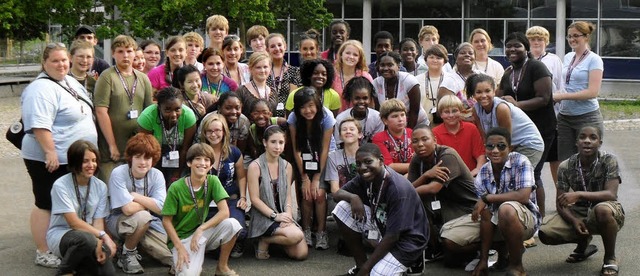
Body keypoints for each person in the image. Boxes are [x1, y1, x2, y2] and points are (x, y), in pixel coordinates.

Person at [21, 42, 97, 268]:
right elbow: (39, 124)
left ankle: (62, 245)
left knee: (64, 204)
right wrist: (50, 152)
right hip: (49, 157)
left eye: (64, 60)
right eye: (55, 60)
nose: (61, 64)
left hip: (70, 157)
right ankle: (43, 251)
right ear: (44, 63)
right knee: (45, 202)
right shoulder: (40, 88)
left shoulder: (68, 81)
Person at [332, 143, 429, 276]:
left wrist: (368, 268)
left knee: (376, 274)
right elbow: (337, 195)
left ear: (381, 160)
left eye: (368, 162)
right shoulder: (365, 177)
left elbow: (393, 236)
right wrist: (353, 197)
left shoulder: (397, 189)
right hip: (383, 223)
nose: (363, 168)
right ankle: (360, 266)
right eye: (358, 163)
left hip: (407, 239)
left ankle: (413, 261)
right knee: (342, 208)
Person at [539, 126, 624, 276]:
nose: (587, 141)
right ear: (576, 142)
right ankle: (583, 244)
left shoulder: (608, 160)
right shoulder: (566, 166)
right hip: (578, 211)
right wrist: (573, 220)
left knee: (602, 210)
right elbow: (561, 203)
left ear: (600, 142)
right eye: (582, 137)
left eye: (592, 138)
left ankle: (610, 258)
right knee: (545, 232)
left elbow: (611, 194)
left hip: (605, 207)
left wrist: (579, 194)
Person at [497, 32, 556, 221]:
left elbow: (544, 98)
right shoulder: (509, 72)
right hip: (519, 131)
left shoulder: (537, 67)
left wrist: (517, 104)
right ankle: (521, 215)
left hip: (541, 129)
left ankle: (539, 218)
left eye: (517, 46)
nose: (512, 49)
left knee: (533, 172)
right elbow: (500, 96)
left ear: (526, 49)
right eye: (508, 46)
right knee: (520, 171)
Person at [162, 143, 242, 276]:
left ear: (211, 165)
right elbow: (166, 221)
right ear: (189, 163)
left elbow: (224, 212)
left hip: (202, 233)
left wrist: (201, 228)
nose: (202, 163)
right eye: (198, 159)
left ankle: (221, 267)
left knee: (233, 224)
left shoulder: (213, 181)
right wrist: (179, 247)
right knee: (188, 274)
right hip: (183, 238)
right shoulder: (176, 187)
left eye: (206, 160)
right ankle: (177, 261)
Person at [471, 127, 541, 276]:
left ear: (510, 148)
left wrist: (488, 197)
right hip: (495, 223)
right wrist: (483, 259)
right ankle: (499, 256)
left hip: (525, 220)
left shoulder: (521, 161)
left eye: (501, 146)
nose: (495, 150)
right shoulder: (483, 172)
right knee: (452, 241)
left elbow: (523, 196)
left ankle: (517, 266)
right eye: (490, 146)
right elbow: (484, 213)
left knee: (506, 209)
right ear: (485, 148)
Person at [408, 125, 480, 267]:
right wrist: (425, 175)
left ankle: (487, 246)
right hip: (444, 204)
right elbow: (409, 187)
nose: (420, 144)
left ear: (434, 140)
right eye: (415, 141)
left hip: (467, 207)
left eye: (425, 139)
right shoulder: (417, 159)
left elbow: (433, 188)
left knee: (451, 255)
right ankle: (434, 248)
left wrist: (409, 191)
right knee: (415, 201)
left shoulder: (447, 155)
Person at [47, 140, 115, 275]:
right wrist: (102, 236)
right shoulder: (60, 186)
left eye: (94, 160)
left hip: (90, 236)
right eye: (85, 161)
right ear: (75, 162)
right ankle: (64, 272)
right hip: (62, 235)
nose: (91, 165)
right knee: (85, 240)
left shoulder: (100, 186)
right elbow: (73, 222)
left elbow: (98, 222)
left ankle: (78, 269)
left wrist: (99, 244)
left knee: (106, 272)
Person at [107, 133, 173, 274]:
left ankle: (131, 245)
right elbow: (128, 209)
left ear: (153, 159)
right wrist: (149, 203)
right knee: (143, 216)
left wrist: (135, 196)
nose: (142, 162)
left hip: (150, 220)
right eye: (138, 157)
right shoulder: (119, 173)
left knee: (170, 256)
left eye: (147, 157)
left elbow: (162, 209)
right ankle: (127, 253)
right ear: (131, 158)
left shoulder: (157, 175)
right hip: (118, 220)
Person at [94, 35, 154, 185]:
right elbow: (101, 111)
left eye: (129, 51)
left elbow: (149, 112)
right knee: (111, 189)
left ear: (135, 53)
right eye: (120, 51)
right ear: (113, 54)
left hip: (136, 148)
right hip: (111, 150)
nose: (125, 55)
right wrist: (112, 144)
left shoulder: (143, 78)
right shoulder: (107, 77)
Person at [247, 126, 308, 260]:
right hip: (264, 215)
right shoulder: (254, 166)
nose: (277, 147)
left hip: (282, 213)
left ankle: (270, 239)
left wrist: (287, 214)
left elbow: (287, 195)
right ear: (265, 143)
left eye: (281, 143)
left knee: (300, 254)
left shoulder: (287, 166)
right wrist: (275, 216)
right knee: (296, 236)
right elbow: (254, 199)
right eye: (273, 142)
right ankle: (264, 239)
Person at [288, 87, 337, 250]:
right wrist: (304, 178)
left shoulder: (327, 117)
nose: (307, 111)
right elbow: (297, 150)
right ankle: (307, 230)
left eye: (310, 105)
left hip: (323, 156)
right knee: (307, 194)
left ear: (317, 103)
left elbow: (325, 149)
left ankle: (322, 231)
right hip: (304, 157)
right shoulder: (294, 118)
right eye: (302, 107)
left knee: (320, 193)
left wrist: (316, 178)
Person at [468, 73, 544, 171]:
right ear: (473, 95)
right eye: (478, 92)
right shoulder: (476, 110)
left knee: (518, 177)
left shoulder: (501, 108)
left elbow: (506, 139)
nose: (483, 96)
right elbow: (484, 138)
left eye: (487, 91)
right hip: (509, 145)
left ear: (494, 92)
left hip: (528, 144)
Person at [554, 21, 605, 162]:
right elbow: (566, 84)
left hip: (587, 117)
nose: (572, 39)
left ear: (586, 37)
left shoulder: (595, 60)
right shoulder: (568, 57)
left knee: (587, 162)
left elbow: (592, 92)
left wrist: (562, 96)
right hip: (565, 117)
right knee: (565, 162)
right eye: (569, 36)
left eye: (576, 35)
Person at [199, 114, 248, 258]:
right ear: (204, 133)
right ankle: (219, 247)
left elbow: (241, 176)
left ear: (224, 131)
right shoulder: (198, 151)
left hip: (229, 200)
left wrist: (243, 197)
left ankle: (229, 244)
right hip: (207, 201)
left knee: (239, 230)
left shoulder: (234, 152)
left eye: (217, 130)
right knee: (209, 230)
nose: (214, 134)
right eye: (209, 131)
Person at [526, 25, 564, 186]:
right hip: (529, 116)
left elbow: (561, 87)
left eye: (540, 39)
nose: (536, 42)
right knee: (534, 162)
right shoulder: (524, 59)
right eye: (533, 39)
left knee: (554, 158)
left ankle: (560, 196)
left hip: (549, 117)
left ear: (546, 41)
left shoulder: (553, 60)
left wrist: (551, 100)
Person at [137, 87, 197, 186]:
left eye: (177, 109)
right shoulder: (147, 117)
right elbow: (145, 150)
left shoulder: (188, 116)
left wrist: (176, 175)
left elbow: (186, 149)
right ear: (159, 107)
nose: (173, 115)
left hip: (179, 155)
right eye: (168, 110)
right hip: (153, 155)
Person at [372, 51, 428, 128]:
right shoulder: (376, 83)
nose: (385, 68)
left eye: (390, 65)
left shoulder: (409, 81)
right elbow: (380, 112)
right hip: (392, 127)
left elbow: (414, 112)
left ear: (398, 66)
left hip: (417, 125)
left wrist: (407, 134)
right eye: (382, 65)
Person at [432, 95, 485, 176]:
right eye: (446, 112)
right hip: (448, 179)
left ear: (460, 111)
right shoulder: (435, 133)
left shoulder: (471, 128)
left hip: (473, 175)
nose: (451, 115)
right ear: (441, 114)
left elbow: (480, 154)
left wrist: (477, 170)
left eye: (454, 111)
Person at [335, 76, 384, 144]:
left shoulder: (377, 117)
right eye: (357, 98)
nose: (361, 101)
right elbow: (339, 144)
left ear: (370, 99)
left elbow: (377, 143)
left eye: (365, 98)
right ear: (351, 98)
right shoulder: (341, 119)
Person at [371, 99, 414, 175]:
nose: (400, 119)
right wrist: (416, 166)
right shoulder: (378, 138)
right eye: (395, 116)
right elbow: (389, 166)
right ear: (385, 120)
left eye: (402, 115)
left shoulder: (413, 133)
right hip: (392, 177)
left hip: (415, 173)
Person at [437, 42, 479, 119]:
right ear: (456, 58)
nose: (467, 55)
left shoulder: (481, 76)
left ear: (475, 58)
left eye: (471, 53)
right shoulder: (449, 79)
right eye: (462, 53)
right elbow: (443, 109)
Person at [332, 40, 374, 112]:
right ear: (341, 54)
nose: (351, 57)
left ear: (359, 58)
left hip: (359, 118)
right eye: (348, 53)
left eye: (355, 55)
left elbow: (371, 102)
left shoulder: (365, 76)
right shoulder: (332, 75)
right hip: (337, 119)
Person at [266, 33, 302, 118]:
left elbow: (293, 98)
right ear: (267, 50)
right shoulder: (263, 71)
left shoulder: (294, 71)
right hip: (266, 117)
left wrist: (287, 119)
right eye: (272, 46)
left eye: (279, 45)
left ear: (285, 47)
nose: (277, 49)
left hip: (288, 117)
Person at [416, 44, 451, 124]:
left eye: (439, 58)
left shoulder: (451, 80)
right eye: (431, 57)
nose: (435, 60)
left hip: (445, 123)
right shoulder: (416, 80)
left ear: (445, 61)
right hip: (422, 125)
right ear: (425, 60)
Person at [326, 118, 361, 194]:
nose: (348, 131)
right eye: (344, 129)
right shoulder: (333, 157)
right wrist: (351, 199)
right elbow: (334, 189)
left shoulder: (367, 154)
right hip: (341, 198)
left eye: (352, 129)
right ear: (340, 136)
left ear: (360, 134)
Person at [236, 52, 276, 119]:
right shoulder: (241, 91)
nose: (262, 70)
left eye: (265, 67)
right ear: (250, 69)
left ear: (270, 68)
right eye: (258, 67)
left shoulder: (273, 92)